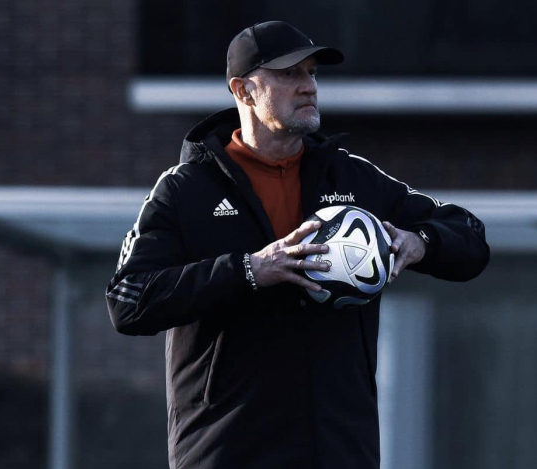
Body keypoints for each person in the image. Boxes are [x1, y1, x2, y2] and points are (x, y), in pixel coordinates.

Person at [106, 20, 490, 469]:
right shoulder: (184, 190)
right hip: (227, 452)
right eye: (289, 74)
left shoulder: (350, 177)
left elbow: (470, 236)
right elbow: (128, 301)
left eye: (312, 73)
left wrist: (420, 241)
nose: (308, 86)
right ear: (244, 90)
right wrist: (250, 269)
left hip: (339, 453)